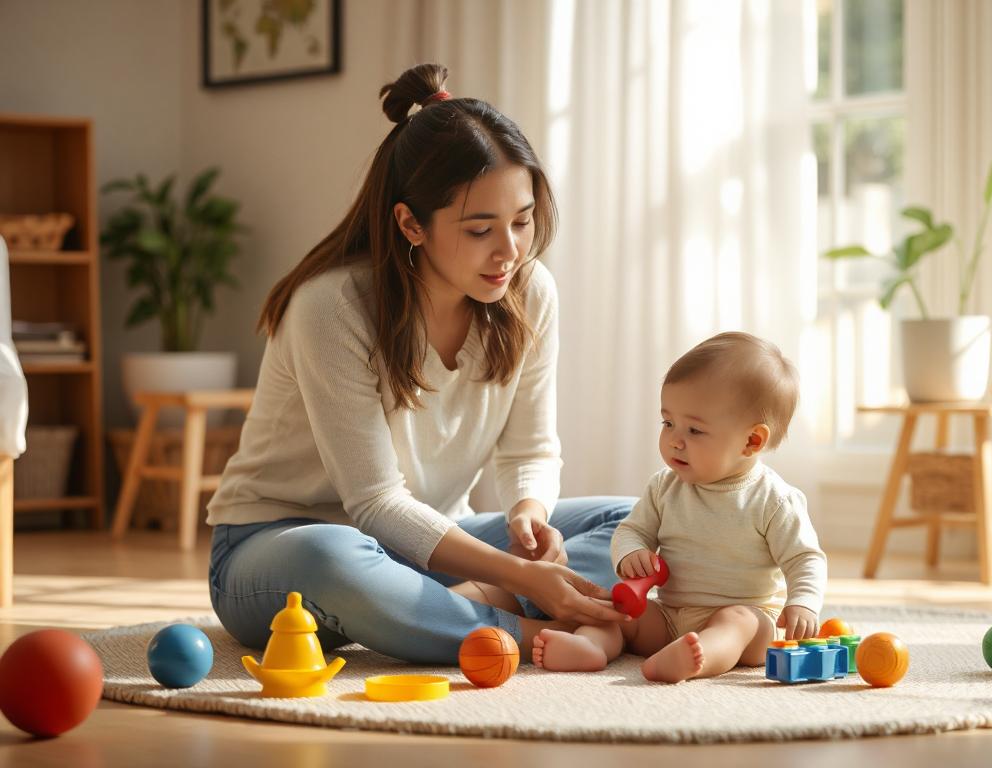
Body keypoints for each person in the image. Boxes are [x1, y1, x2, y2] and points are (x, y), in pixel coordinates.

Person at [206, 63, 633, 665]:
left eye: (522, 220)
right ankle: (515, 631)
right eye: (481, 229)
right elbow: (375, 503)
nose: (510, 251)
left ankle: (444, 610)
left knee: (634, 520)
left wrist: (528, 518)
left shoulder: (531, 292)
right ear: (411, 223)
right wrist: (523, 577)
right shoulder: (331, 306)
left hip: (428, 545)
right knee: (332, 558)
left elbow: (529, 450)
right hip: (277, 549)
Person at [531, 332, 827, 683]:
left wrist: (803, 602)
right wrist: (631, 553)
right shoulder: (665, 486)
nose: (674, 439)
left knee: (738, 622)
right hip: (670, 616)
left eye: (695, 430)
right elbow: (631, 530)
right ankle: (591, 647)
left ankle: (699, 658)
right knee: (617, 614)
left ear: (751, 441)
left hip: (750, 620)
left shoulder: (773, 499)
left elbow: (804, 558)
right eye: (668, 423)